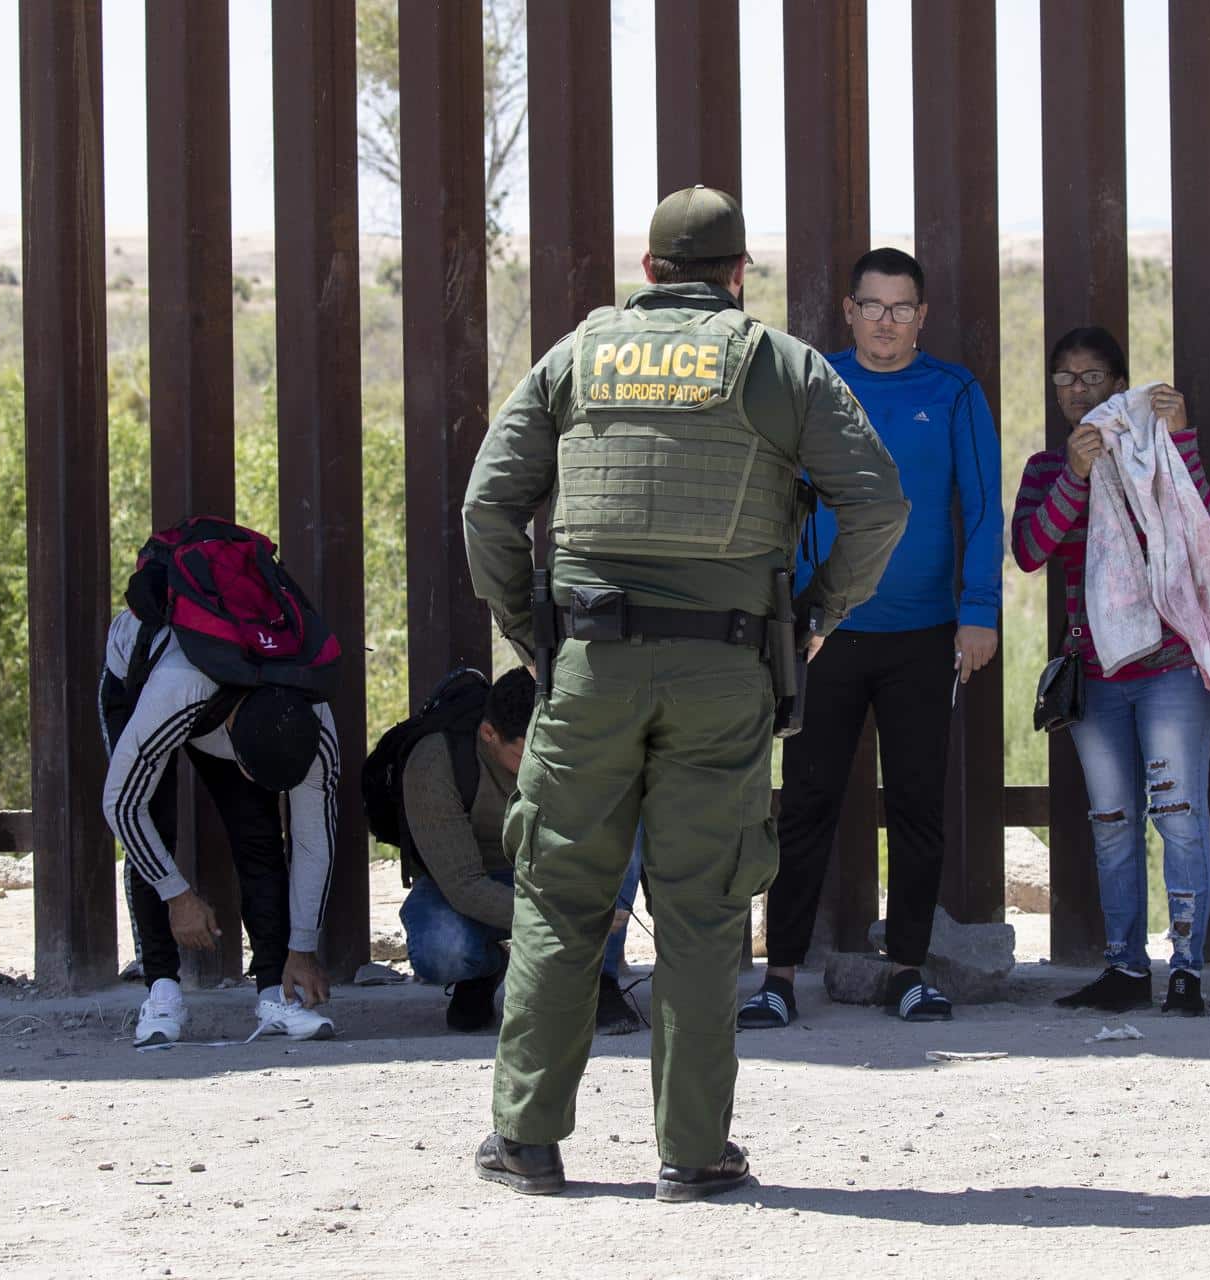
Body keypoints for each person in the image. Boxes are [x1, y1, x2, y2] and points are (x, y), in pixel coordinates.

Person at [462, 186, 908, 1200]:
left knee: (563, 893)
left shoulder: (578, 356)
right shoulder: (775, 363)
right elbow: (878, 500)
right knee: (704, 910)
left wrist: (533, 633)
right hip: (727, 669)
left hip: (590, 667)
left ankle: (527, 1140)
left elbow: (489, 502)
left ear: (651, 271)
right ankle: (692, 1153)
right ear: (738, 274)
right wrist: (819, 612)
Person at [741, 247, 1001, 1029]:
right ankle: (779, 976)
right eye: (872, 307)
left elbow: (983, 509)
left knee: (918, 805)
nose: (886, 323)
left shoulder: (953, 392)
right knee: (807, 804)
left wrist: (979, 610)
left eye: (901, 309)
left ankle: (907, 971)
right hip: (827, 635)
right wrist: (789, 618)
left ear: (921, 317)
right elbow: (777, 501)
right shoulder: (813, 383)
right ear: (848, 310)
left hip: (924, 635)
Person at [1010, 326, 1210, 1016]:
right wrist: (1075, 478)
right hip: (1096, 674)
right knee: (1112, 822)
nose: (1078, 392)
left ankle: (1186, 970)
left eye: (1094, 378)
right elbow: (1031, 549)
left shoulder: (1156, 459)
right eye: (1065, 379)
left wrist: (1181, 441)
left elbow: (1206, 542)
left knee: (1180, 816)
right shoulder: (1048, 469)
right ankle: (1126, 969)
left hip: (1171, 670)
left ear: (1121, 385)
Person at [100, 609, 337, 1046]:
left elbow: (311, 843)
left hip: (240, 691)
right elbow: (121, 806)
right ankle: (161, 991)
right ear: (232, 740)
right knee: (153, 820)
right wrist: (177, 894)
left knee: (259, 833)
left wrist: (302, 947)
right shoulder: (174, 693)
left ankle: (275, 992)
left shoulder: (314, 721)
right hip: (147, 679)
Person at [396, 667, 643, 1035]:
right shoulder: (435, 764)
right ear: (488, 734)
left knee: (623, 823)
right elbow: (465, 886)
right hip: (471, 883)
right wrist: (573, 919)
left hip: (554, 869)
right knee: (441, 949)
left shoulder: (571, 743)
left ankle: (598, 980)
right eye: (526, 755)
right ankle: (486, 969)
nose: (540, 767)